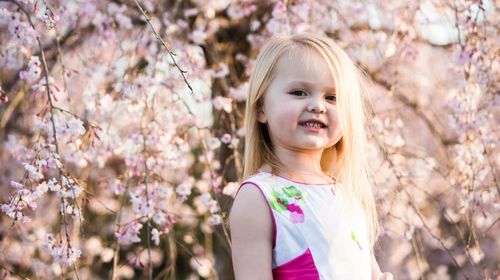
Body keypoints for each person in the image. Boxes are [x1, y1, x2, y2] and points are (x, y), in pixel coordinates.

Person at [229, 32, 393, 280]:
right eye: (299, 92)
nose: (318, 105)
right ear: (261, 107)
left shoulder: (346, 195)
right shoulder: (258, 197)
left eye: (332, 97)